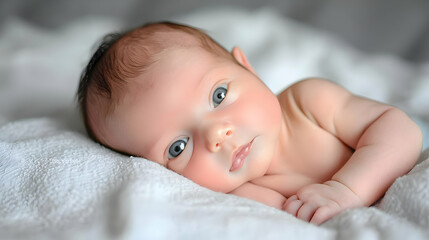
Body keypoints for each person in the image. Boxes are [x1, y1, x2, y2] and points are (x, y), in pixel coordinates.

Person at [77, 21, 423, 225]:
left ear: (246, 66)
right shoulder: (247, 195)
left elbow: (401, 130)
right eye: (178, 147)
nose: (216, 135)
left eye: (218, 96)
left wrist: (347, 190)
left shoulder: (308, 102)